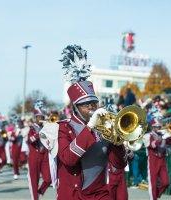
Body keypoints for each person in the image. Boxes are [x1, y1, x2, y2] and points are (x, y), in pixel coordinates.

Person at [56, 45, 127, 200]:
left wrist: (117, 141)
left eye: (94, 103)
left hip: (100, 194)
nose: (91, 107)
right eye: (86, 104)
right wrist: (89, 128)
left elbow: (119, 164)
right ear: (75, 106)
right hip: (73, 195)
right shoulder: (64, 127)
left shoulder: (104, 127)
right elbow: (68, 159)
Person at [143, 118, 171, 200]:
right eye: (156, 126)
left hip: (162, 160)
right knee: (153, 182)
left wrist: (170, 134)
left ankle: (156, 194)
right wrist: (162, 139)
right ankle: (153, 198)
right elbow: (153, 145)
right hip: (153, 160)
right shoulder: (148, 135)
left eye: (159, 126)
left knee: (166, 182)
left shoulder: (163, 134)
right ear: (152, 127)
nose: (158, 128)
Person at [27, 101, 51, 200]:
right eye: (39, 117)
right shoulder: (32, 128)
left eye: (42, 117)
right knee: (34, 181)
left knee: (48, 178)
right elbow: (30, 140)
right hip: (34, 156)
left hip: (44, 155)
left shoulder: (46, 127)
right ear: (35, 117)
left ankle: (40, 191)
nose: (41, 119)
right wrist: (39, 133)